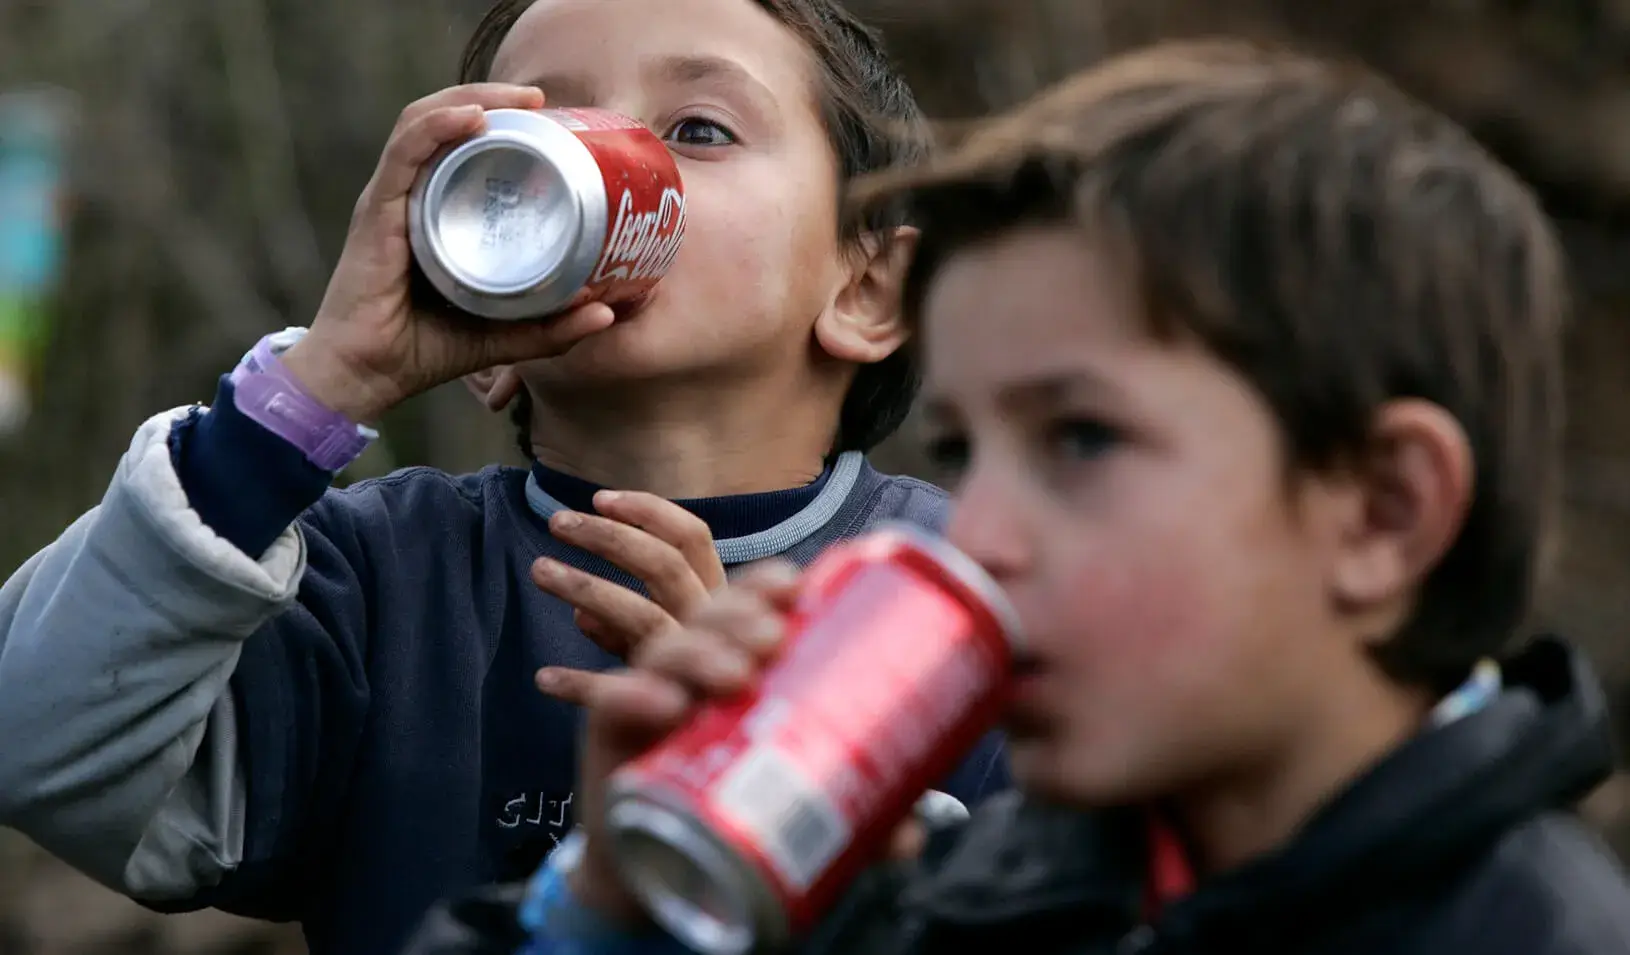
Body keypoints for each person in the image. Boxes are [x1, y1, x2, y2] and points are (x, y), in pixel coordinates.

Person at [411, 37, 1630, 955]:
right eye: (966, 450)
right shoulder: (988, 891)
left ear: (1382, 512)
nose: (980, 533)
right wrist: (615, 905)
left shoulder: (1529, 930)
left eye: (1082, 440)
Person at [0, 2, 1011, 954]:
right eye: (534, 136)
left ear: (867, 285)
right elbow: (39, 741)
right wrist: (324, 382)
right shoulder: (373, 583)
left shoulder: (968, 594)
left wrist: (776, 768)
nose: (591, 156)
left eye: (699, 129)